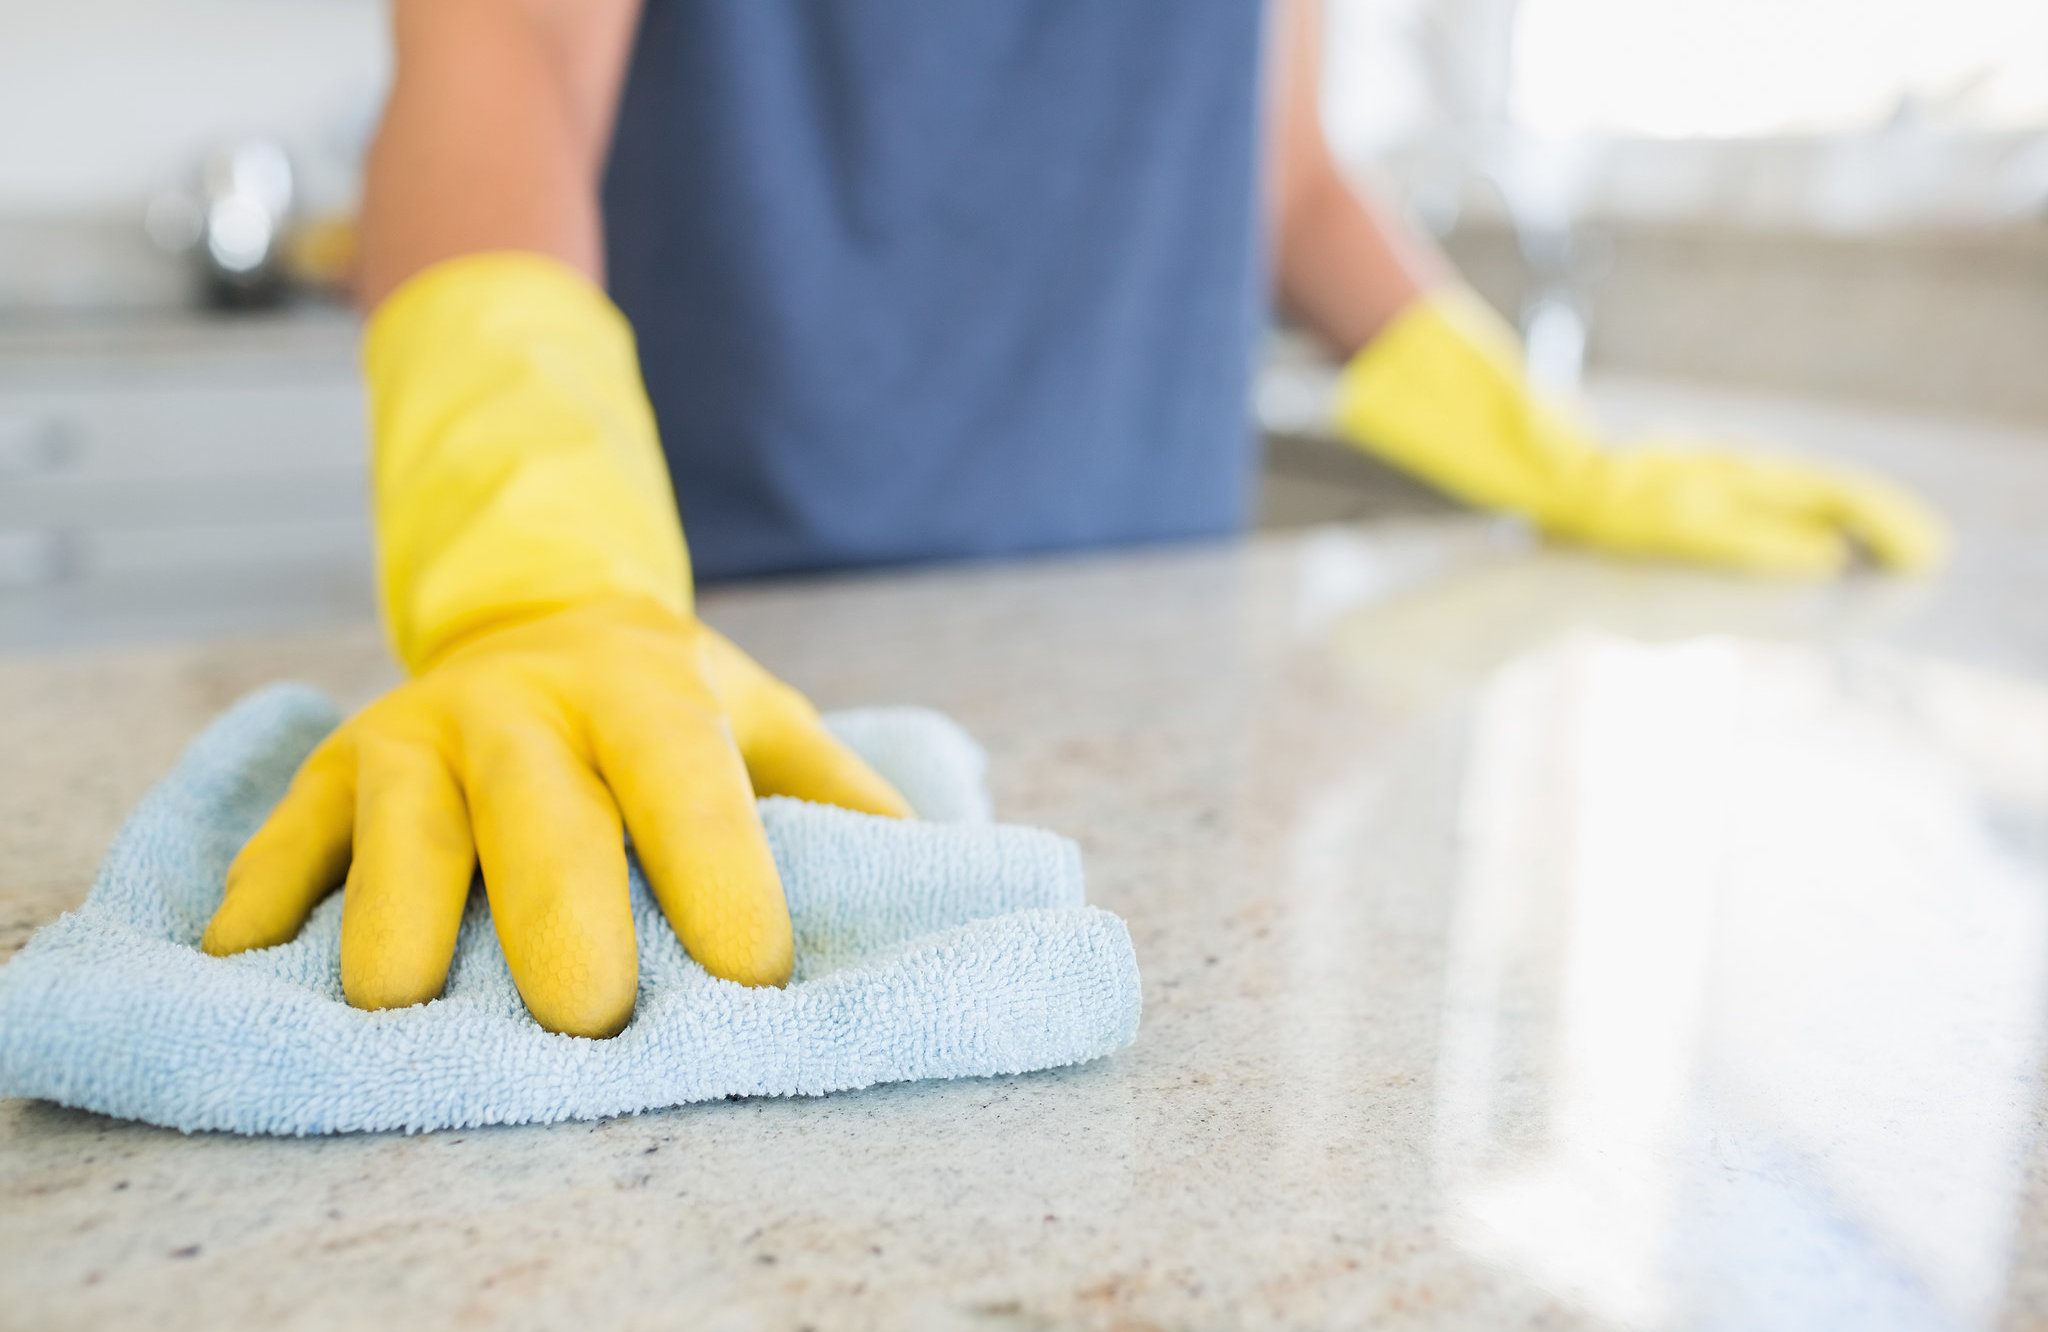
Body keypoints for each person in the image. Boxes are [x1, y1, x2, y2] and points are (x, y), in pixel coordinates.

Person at [202, 0, 1944, 1037]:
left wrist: (1547, 452)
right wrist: (539, 573)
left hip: (1167, 647)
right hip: (729, 670)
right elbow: (498, 69)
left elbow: (1289, 171)